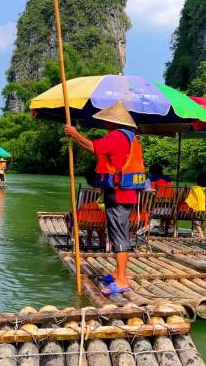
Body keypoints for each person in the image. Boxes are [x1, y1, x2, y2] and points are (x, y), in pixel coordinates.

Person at [64, 101, 146, 295]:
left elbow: (95, 148)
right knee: (118, 233)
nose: (105, 124)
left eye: (106, 121)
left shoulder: (117, 136)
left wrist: (74, 134)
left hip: (119, 194)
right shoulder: (130, 137)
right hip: (123, 193)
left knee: (119, 235)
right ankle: (118, 273)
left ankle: (122, 280)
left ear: (112, 122)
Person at [181, 173, 206, 237]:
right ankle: (201, 232)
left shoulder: (195, 189)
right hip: (205, 211)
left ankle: (200, 233)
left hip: (193, 212)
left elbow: (189, 200)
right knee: (197, 216)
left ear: (197, 181)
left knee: (194, 216)